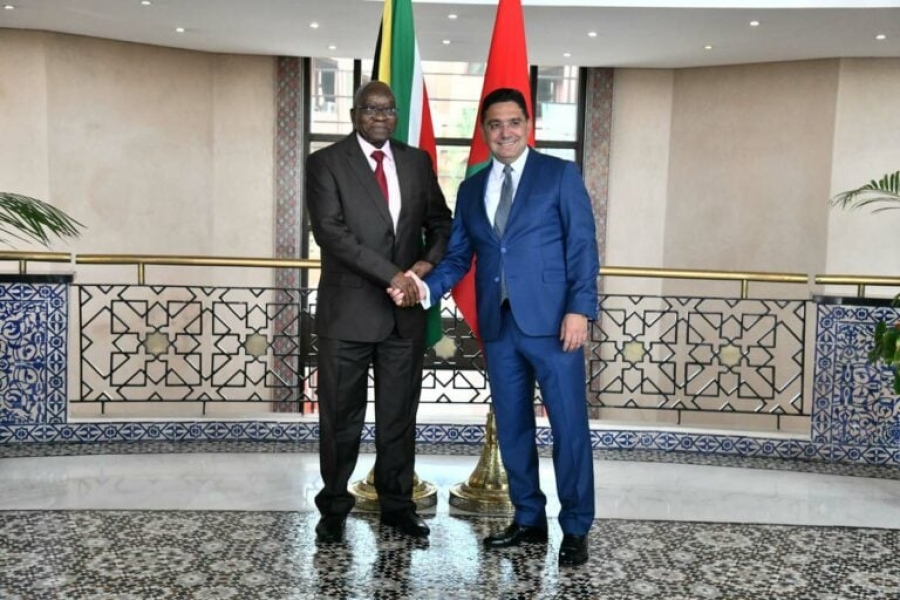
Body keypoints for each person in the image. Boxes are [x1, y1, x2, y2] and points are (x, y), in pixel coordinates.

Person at [390, 87, 599, 567]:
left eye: (513, 122)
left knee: (569, 428)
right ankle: (528, 520)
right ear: (484, 131)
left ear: (528, 126)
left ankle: (575, 526)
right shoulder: (471, 188)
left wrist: (579, 309)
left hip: (555, 324)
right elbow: (459, 257)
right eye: (495, 124)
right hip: (499, 326)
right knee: (513, 427)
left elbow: (583, 247)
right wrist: (423, 289)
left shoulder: (559, 175)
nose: (505, 132)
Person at [305, 80, 452, 543]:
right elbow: (332, 234)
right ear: (354, 114)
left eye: (388, 109)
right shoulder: (326, 163)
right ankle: (334, 507)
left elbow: (441, 223)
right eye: (371, 109)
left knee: (398, 418)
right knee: (340, 419)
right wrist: (394, 276)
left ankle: (397, 507)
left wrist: (423, 268)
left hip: (403, 317)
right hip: (347, 314)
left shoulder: (416, 161)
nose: (381, 116)